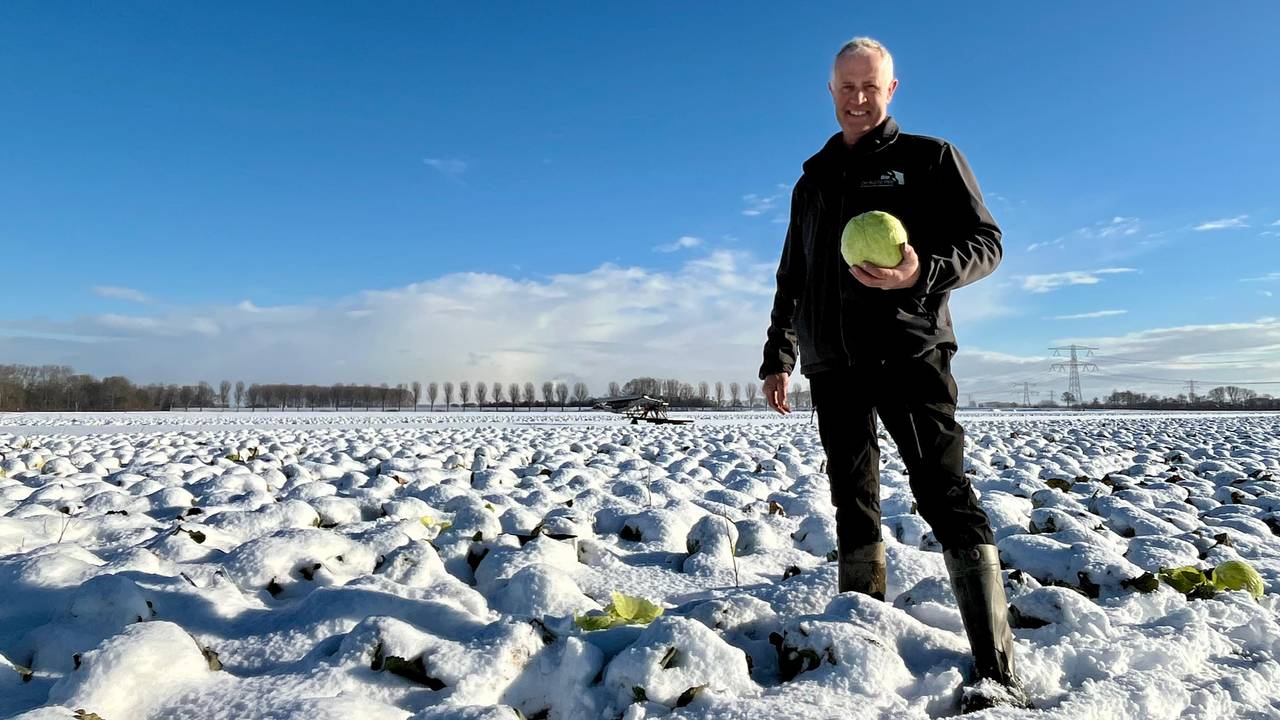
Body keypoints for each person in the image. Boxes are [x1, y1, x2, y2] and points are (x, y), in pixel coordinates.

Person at [758, 37, 1026, 710]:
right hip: (832, 364)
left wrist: (920, 271)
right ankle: (861, 634)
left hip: (909, 353)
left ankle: (996, 664)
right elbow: (793, 274)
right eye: (846, 87)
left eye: (870, 87)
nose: (857, 98)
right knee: (852, 496)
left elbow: (985, 243)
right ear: (829, 90)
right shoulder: (811, 179)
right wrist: (779, 353)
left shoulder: (929, 158)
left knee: (942, 491)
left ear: (892, 89)